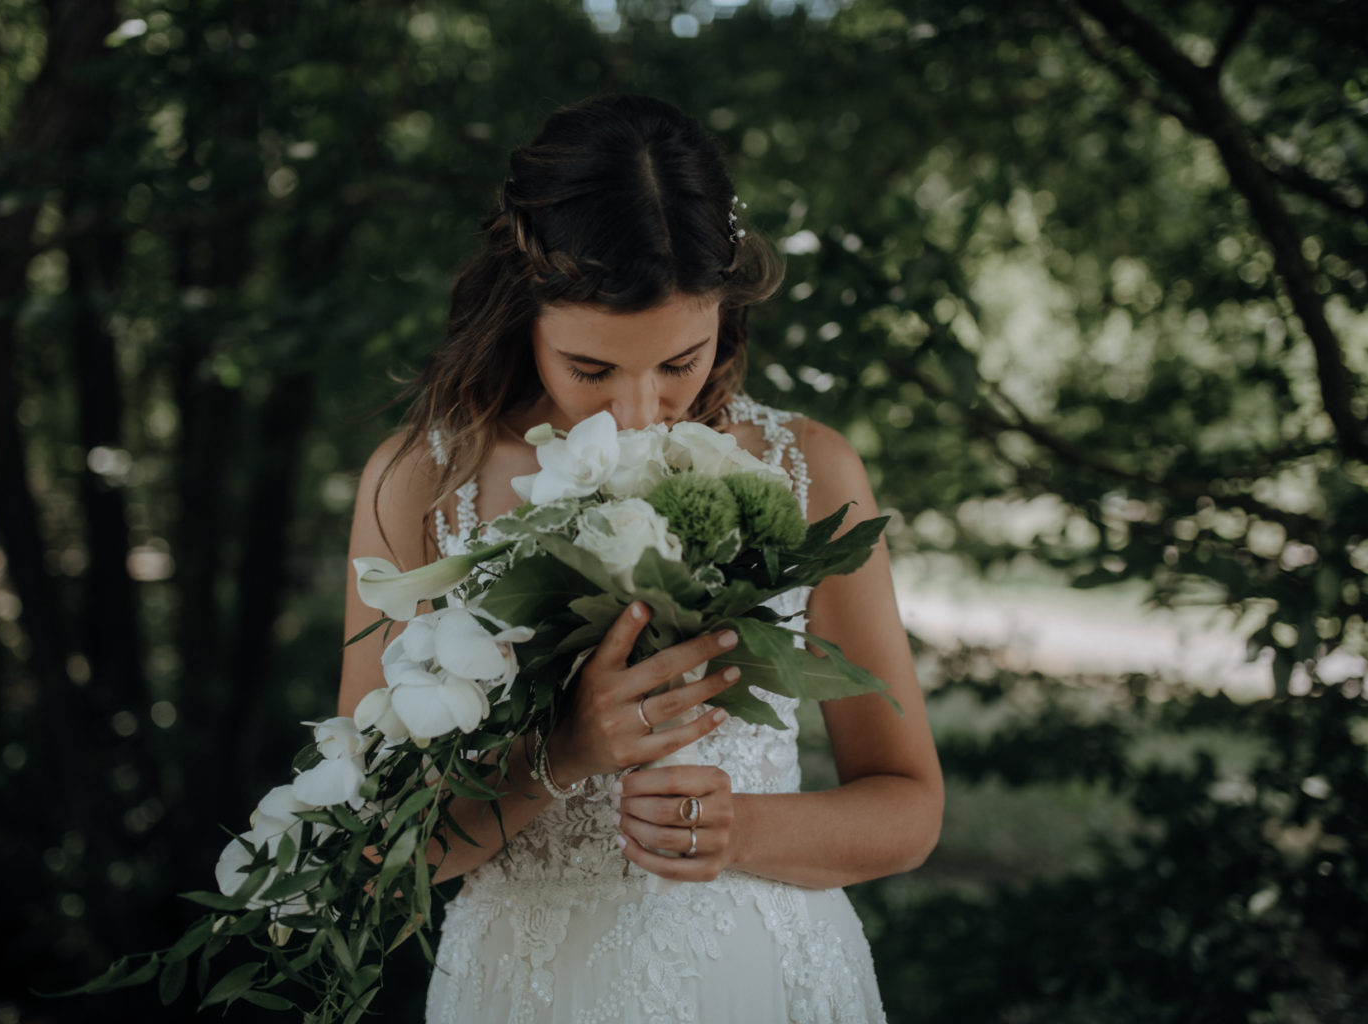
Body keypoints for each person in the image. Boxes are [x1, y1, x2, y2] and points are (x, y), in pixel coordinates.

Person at [338, 93, 943, 1024]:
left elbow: (909, 806)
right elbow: (373, 847)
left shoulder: (807, 470)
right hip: (523, 990)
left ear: (725, 313)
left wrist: (741, 826)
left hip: (768, 987)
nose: (637, 411)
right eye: (591, 370)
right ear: (522, 305)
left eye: (678, 362)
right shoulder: (422, 487)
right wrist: (563, 752)